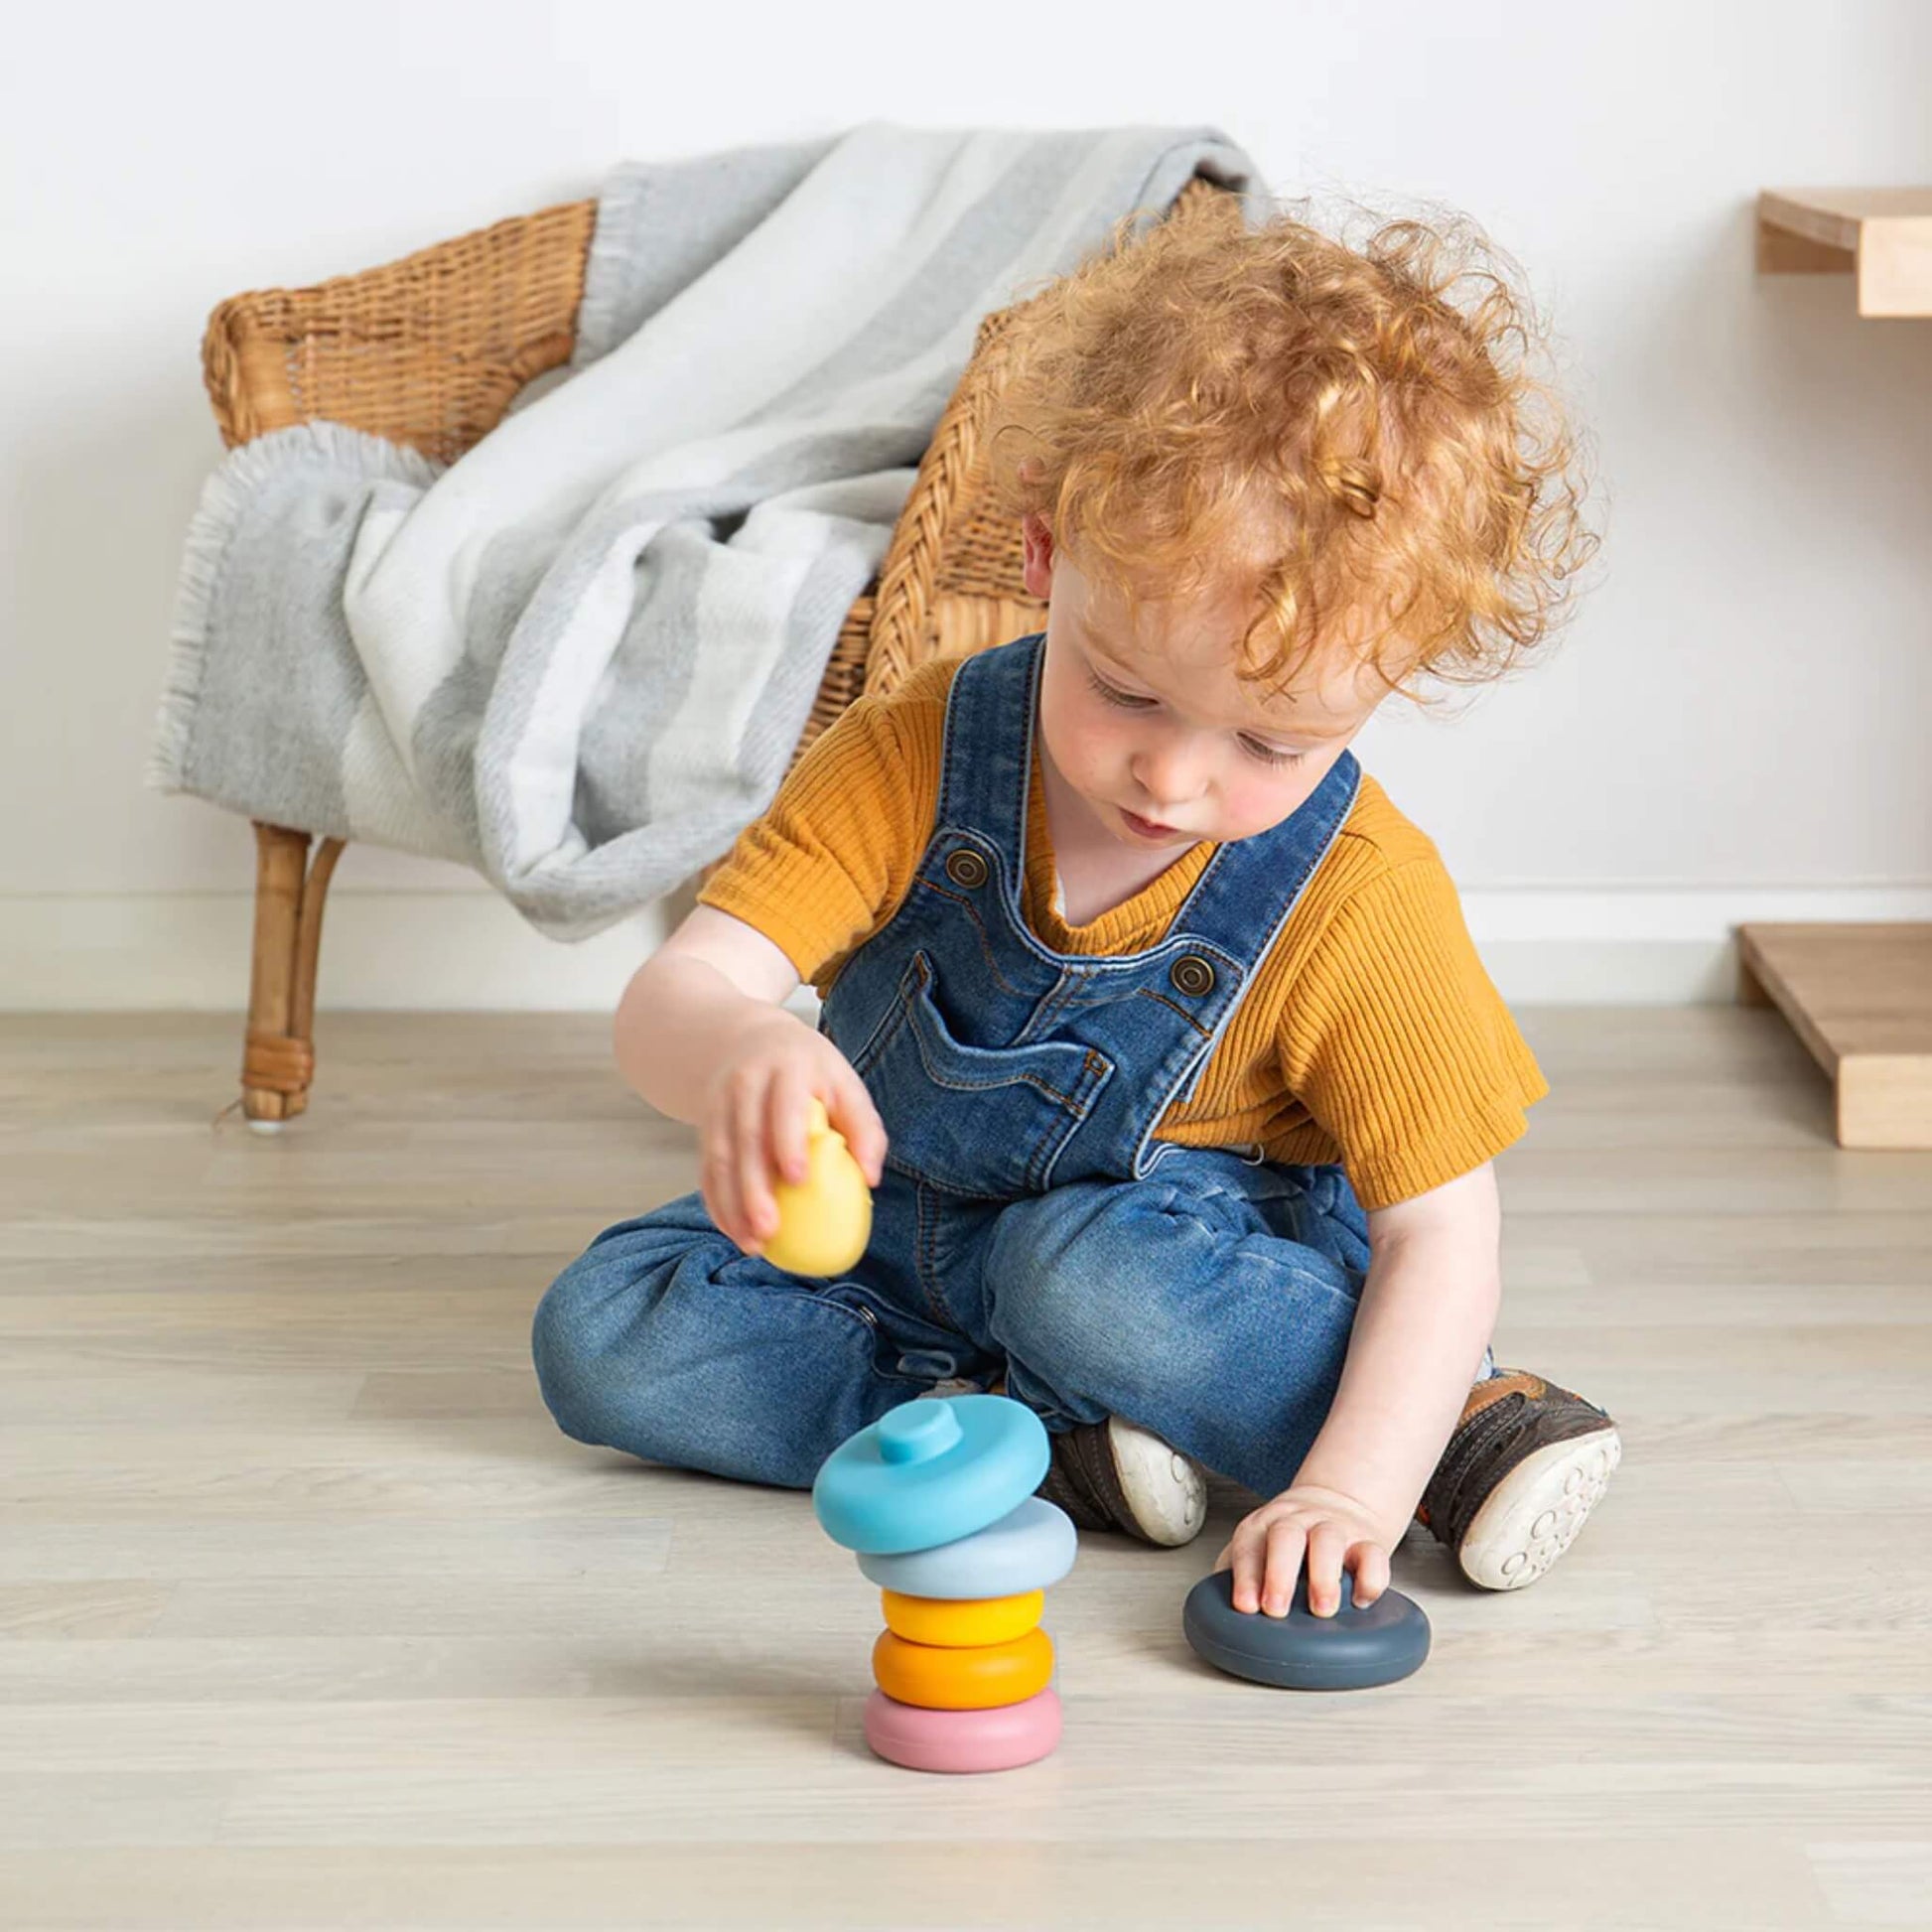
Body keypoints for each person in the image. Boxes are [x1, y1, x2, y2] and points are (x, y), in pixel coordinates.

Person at [532, 187, 1621, 1618]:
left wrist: (1347, 1487)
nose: (1170, 776)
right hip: (899, 1232)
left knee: (1082, 1278)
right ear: (1047, 555)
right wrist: (737, 1045)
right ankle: (1044, 1440)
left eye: (1268, 744)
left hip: (1176, 1258)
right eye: (1125, 688)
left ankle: (1458, 1428)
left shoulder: (1361, 896)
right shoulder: (917, 748)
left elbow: (1439, 1228)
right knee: (604, 1335)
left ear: (1383, 681)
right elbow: (681, 992)